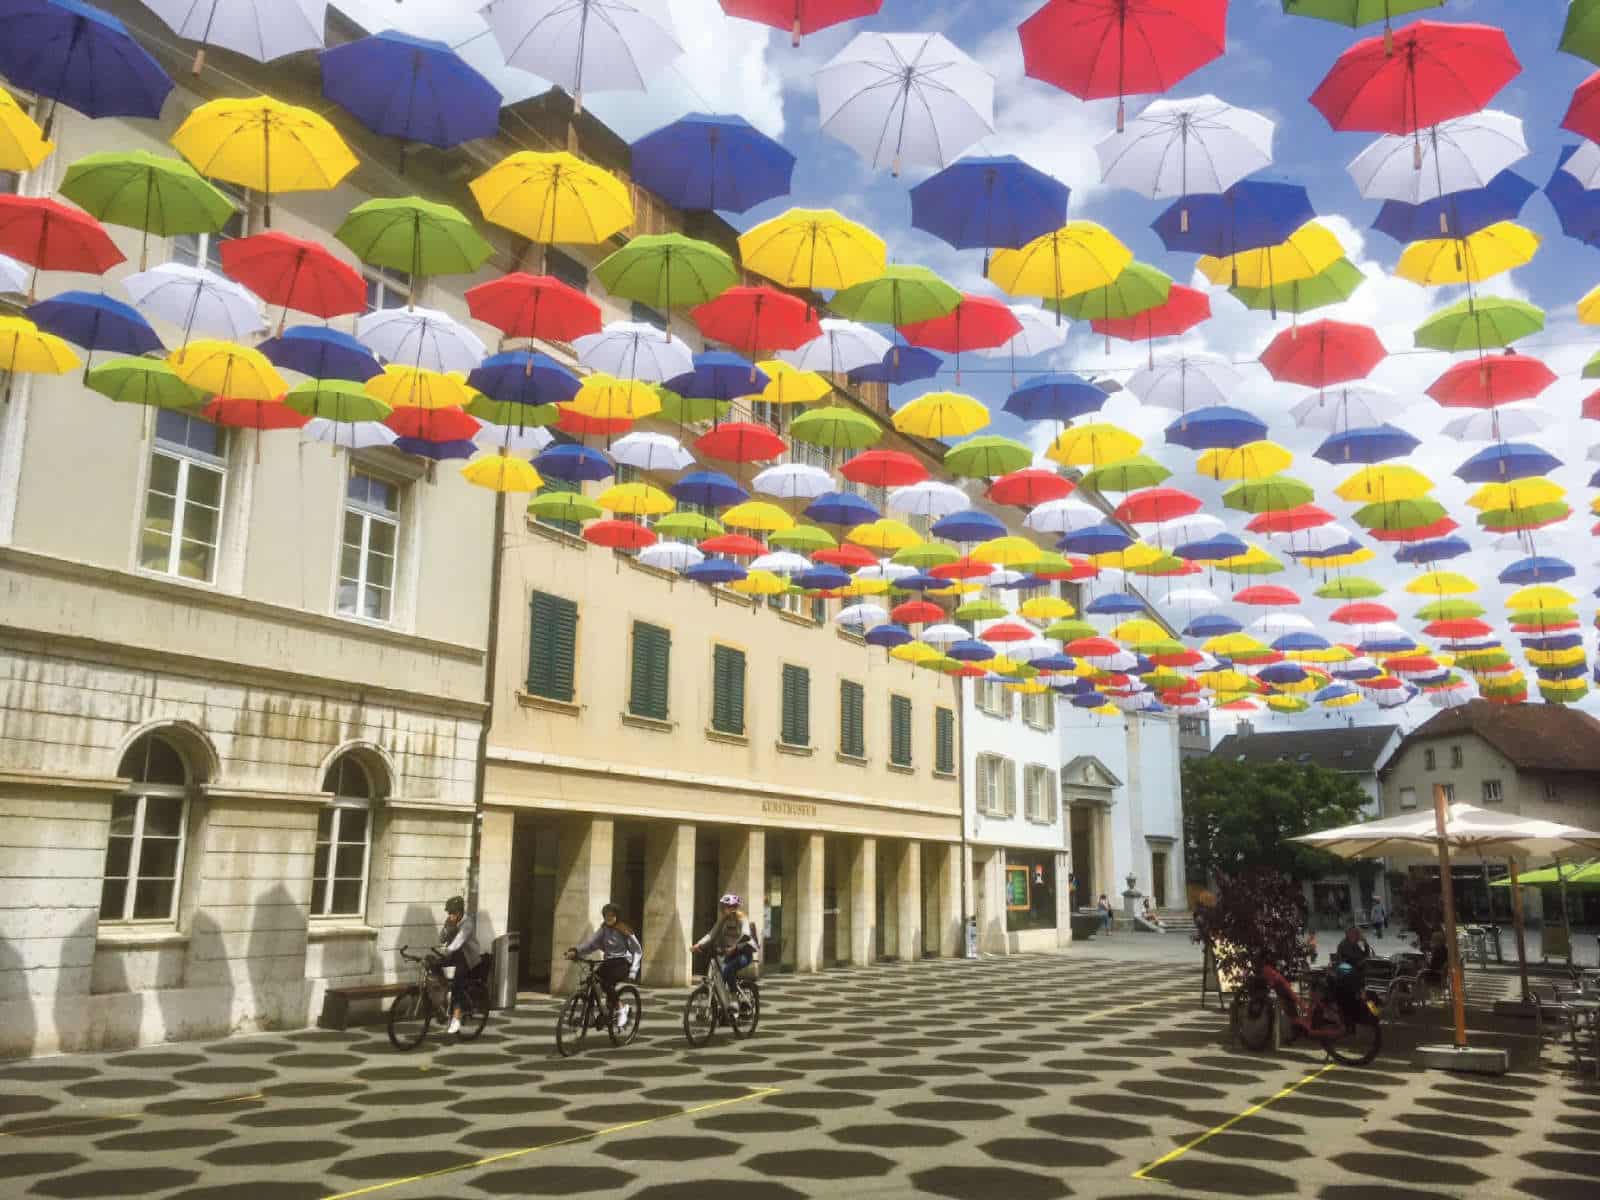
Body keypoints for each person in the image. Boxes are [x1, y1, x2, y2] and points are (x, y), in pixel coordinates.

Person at [566, 903, 643, 1030]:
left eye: (612, 915)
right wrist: (575, 951)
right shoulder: (603, 930)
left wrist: (634, 969)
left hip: (623, 962)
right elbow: (591, 944)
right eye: (606, 915)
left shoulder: (624, 930)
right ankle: (589, 1016)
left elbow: (637, 950)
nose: (609, 918)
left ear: (617, 916)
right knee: (591, 982)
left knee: (606, 983)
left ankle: (621, 1008)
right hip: (608, 962)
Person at [693, 893, 760, 993]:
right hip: (730, 953)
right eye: (723, 906)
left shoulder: (742, 919)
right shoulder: (723, 920)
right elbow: (711, 934)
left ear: (734, 907)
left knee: (728, 969)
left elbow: (746, 935)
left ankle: (733, 998)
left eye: (726, 906)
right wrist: (698, 944)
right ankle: (723, 1001)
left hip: (744, 953)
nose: (723, 909)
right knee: (720, 976)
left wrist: (734, 948)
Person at [435, 895, 481, 1036]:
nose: (450, 915)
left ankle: (456, 1017)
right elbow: (442, 938)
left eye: (453, 912)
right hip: (454, 955)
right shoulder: (450, 921)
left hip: (467, 957)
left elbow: (459, 941)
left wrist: (447, 950)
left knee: (457, 983)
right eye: (449, 912)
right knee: (435, 969)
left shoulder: (467, 923)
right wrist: (447, 928)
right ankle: (441, 1005)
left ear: (460, 912)